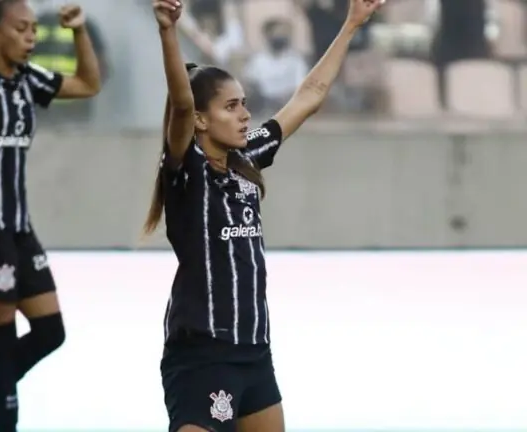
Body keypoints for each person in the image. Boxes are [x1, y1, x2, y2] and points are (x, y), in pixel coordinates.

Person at [146, 0, 383, 431]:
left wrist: (351, 24)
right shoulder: (187, 170)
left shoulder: (248, 155)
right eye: (231, 106)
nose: (244, 114)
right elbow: (180, 104)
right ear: (200, 120)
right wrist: (168, 32)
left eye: (244, 103)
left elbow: (308, 97)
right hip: (202, 353)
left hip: (254, 351)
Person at [0, 1, 101, 431]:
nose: (30, 37)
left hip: (18, 227)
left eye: (33, 30)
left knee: (51, 332)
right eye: (21, 28)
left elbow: (88, 84)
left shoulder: (31, 80)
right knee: (2, 339)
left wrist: (79, 31)